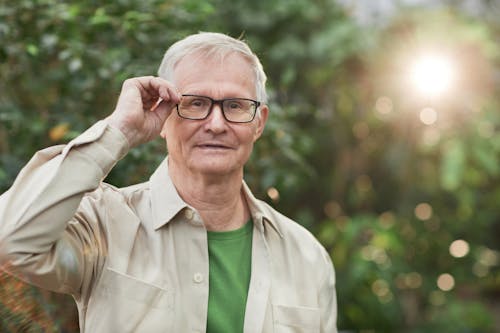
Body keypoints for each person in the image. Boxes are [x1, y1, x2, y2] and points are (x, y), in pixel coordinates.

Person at [0, 32, 337, 332]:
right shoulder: (106, 224)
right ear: (162, 116)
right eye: (196, 103)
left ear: (258, 123)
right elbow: (11, 242)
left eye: (235, 106)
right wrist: (119, 131)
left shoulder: (307, 257)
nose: (216, 124)